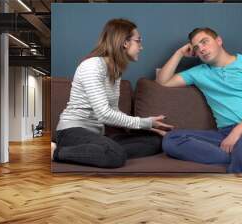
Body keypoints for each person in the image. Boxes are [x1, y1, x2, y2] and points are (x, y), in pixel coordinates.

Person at [53, 18, 173, 168]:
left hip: (98, 134)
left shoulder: (115, 71)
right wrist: (144, 122)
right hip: (72, 131)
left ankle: (102, 151)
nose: (141, 47)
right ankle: (57, 152)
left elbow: (113, 111)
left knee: (155, 141)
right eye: (138, 41)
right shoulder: (92, 66)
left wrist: (146, 127)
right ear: (125, 43)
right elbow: (103, 114)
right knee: (116, 155)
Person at [156, 27, 242, 173]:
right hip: (223, 133)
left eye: (204, 42)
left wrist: (237, 133)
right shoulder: (198, 72)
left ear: (219, 41)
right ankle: (236, 154)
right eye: (196, 47)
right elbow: (162, 81)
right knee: (171, 139)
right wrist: (179, 53)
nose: (201, 49)